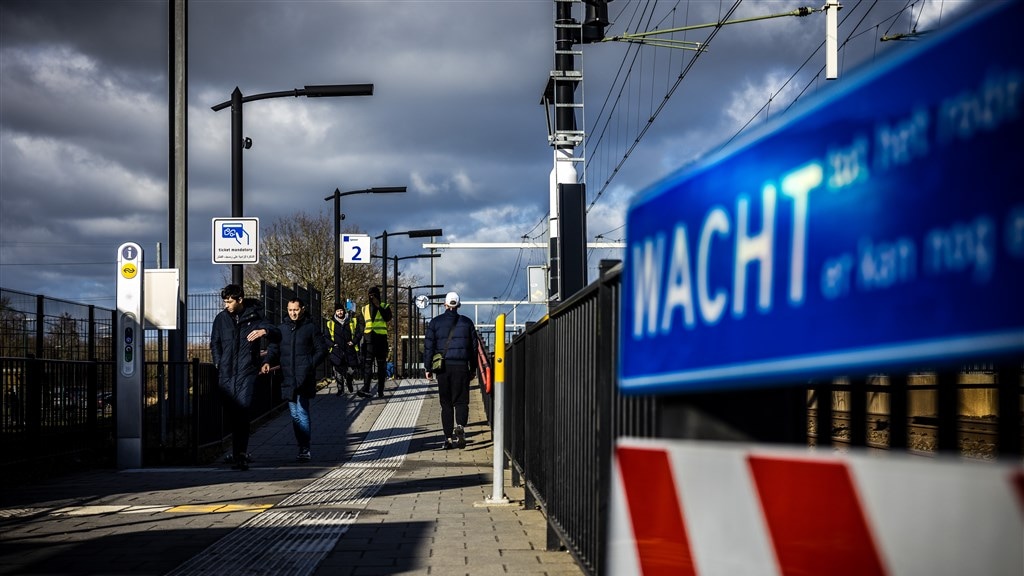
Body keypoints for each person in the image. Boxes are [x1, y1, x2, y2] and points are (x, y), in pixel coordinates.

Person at [210, 284, 277, 470]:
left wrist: (265, 331)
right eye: (225, 301)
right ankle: (237, 451)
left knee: (243, 410)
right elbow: (214, 342)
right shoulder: (221, 319)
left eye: (229, 301)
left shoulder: (255, 316)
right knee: (233, 414)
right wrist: (218, 362)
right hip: (227, 373)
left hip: (247, 372)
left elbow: (276, 333)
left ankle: (240, 454)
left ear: (240, 300)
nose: (226, 305)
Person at [263, 297, 327, 462]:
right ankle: (301, 445)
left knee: (302, 410)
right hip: (287, 376)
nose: (293, 313)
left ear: (302, 309)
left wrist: (309, 364)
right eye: (290, 310)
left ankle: (305, 448)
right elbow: (273, 348)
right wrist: (267, 361)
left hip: (304, 376)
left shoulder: (311, 328)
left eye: (296, 309)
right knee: (294, 414)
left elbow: (322, 349)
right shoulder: (281, 329)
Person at [423, 291, 478, 449]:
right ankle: (460, 426)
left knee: (446, 403)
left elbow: (429, 347)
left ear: (445, 305)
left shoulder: (435, 323)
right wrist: (473, 368)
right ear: (458, 305)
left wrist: (428, 367)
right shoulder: (467, 323)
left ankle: (448, 438)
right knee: (461, 400)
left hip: (443, 367)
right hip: (461, 366)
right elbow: (474, 348)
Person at [358, 286, 392, 399]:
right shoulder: (364, 308)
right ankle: (366, 388)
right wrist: (363, 333)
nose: (372, 297)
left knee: (381, 366)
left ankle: (380, 390)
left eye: (374, 295)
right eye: (370, 295)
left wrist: (378, 306)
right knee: (367, 365)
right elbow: (361, 322)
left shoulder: (385, 306)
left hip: (381, 340)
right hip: (369, 340)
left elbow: (388, 318)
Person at [326, 300, 363, 395]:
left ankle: (349, 381)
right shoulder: (330, 323)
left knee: (351, 370)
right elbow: (326, 336)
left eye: (341, 310)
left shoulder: (352, 321)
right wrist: (332, 344)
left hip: (350, 349)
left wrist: (353, 342)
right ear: (335, 312)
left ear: (344, 311)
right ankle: (340, 390)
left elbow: (359, 333)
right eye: (337, 311)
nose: (340, 312)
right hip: (336, 350)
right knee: (338, 371)